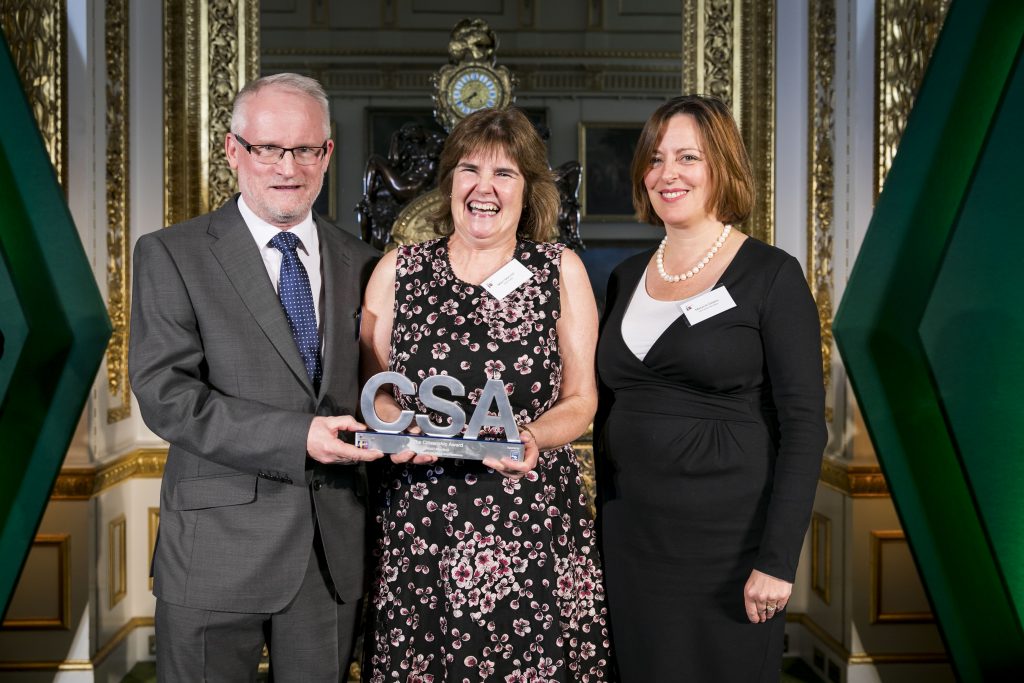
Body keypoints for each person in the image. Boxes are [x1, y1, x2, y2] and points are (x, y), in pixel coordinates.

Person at [128, 73, 382, 681]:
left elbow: (383, 387)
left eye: (303, 149)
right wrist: (299, 436)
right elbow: (167, 397)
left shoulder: (363, 261)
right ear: (233, 149)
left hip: (329, 556)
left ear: (327, 153)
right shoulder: (172, 254)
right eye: (268, 148)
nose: (286, 167)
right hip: (215, 552)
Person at [360, 107, 613, 682]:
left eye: (505, 173)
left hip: (528, 515)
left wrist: (532, 436)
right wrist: (402, 427)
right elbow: (371, 389)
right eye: (469, 169)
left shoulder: (559, 270)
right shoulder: (397, 270)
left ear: (529, 190)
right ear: (449, 181)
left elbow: (581, 398)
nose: (484, 188)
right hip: (421, 517)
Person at [595, 95, 826, 681]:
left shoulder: (771, 275)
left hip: (728, 548)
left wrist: (777, 561)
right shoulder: (623, 277)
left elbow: (804, 428)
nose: (666, 173)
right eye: (655, 158)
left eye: (687, 157)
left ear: (722, 166)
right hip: (631, 540)